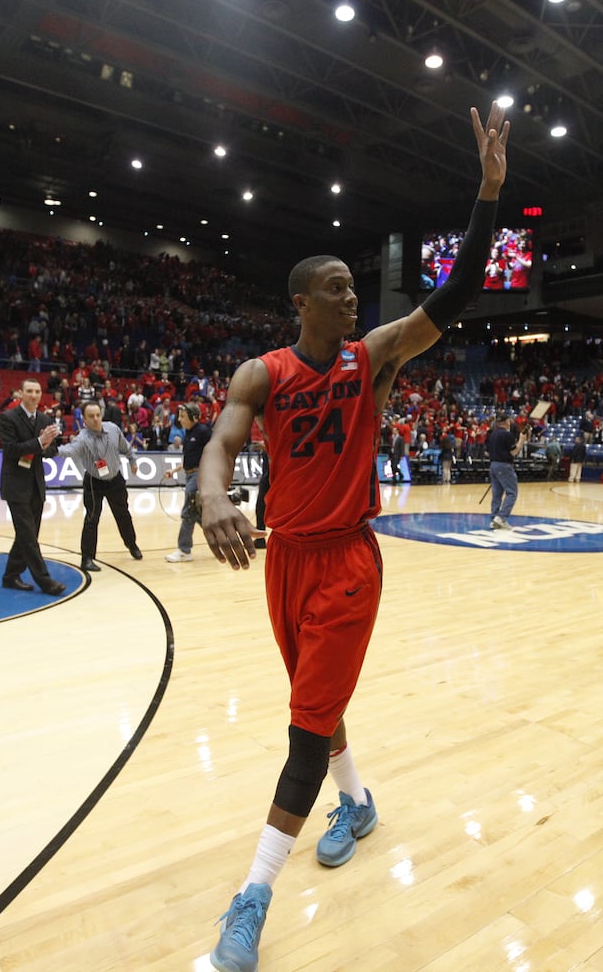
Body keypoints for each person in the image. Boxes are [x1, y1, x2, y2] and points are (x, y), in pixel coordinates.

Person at [196, 102, 508, 972]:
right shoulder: (264, 371)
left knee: (302, 729)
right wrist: (213, 496)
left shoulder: (375, 356)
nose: (351, 296)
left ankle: (250, 900)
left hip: (346, 565)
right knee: (316, 705)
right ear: (302, 303)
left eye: (351, 287)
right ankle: (358, 804)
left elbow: (459, 292)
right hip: (283, 561)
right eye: (335, 287)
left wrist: (487, 193)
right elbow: (218, 442)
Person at [0, 380, 67, 595]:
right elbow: (10, 450)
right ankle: (45, 581)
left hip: (36, 483)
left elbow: (52, 449)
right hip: (15, 484)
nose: (34, 395)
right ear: (21, 393)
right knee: (28, 535)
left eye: (37, 391)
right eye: (29, 391)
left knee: (27, 535)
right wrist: (39, 442)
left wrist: (45, 445)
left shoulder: (45, 419)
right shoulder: (7, 418)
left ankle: (10, 576)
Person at [60, 400, 141, 572]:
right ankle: (87, 558)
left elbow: (126, 448)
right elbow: (69, 450)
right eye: (91, 416)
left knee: (123, 515)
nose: (96, 419)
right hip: (94, 482)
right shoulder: (82, 438)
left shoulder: (112, 429)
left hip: (115, 480)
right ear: (84, 420)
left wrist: (133, 461)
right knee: (91, 520)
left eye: (98, 415)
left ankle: (132, 544)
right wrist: (49, 449)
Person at [165, 403, 211, 563]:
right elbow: (188, 459)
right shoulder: (188, 432)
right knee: (199, 516)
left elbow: (214, 454)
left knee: (187, 512)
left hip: (199, 476)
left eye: (183, 416)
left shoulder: (204, 432)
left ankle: (184, 550)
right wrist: (174, 471)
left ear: (194, 416)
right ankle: (223, 539)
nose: (179, 419)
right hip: (189, 475)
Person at [486, 411, 520, 529]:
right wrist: (522, 440)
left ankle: (494, 518)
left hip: (493, 465)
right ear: (506, 422)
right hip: (504, 465)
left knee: (497, 494)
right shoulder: (507, 435)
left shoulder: (492, 434)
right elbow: (514, 452)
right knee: (512, 492)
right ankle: (501, 517)